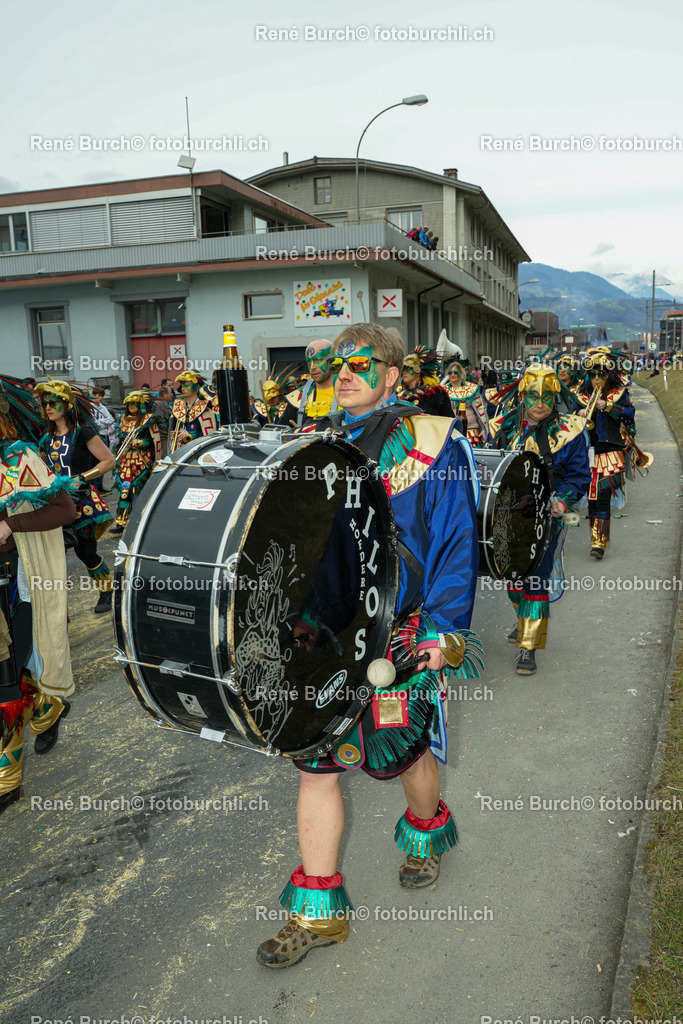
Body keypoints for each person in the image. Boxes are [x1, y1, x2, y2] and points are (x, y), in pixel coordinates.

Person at [256, 322, 482, 968]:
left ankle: (425, 834)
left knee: (404, 755)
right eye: (336, 367)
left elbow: (454, 541)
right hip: (323, 641)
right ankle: (316, 914)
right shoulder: (311, 443)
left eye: (360, 364)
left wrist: (442, 633)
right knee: (316, 766)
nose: (345, 376)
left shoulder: (433, 443)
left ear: (392, 374)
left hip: (399, 636)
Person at [0, 376, 77, 814]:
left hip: (14, 585)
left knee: (6, 679)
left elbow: (64, 509)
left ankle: (7, 781)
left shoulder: (19, 457)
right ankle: (47, 707)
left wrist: (11, 524)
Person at [490, 365, 590, 675]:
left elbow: (578, 476)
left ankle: (529, 645)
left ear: (555, 396)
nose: (540, 403)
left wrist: (561, 501)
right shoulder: (504, 428)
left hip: (547, 518)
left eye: (547, 397)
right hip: (508, 517)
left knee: (535, 577)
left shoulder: (571, 432)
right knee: (511, 576)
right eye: (533, 396)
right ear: (523, 395)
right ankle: (524, 618)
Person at [35, 380, 115, 613]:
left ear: (67, 405)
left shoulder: (83, 433)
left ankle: (107, 591)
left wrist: (81, 478)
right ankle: (57, 605)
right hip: (54, 504)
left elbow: (108, 461)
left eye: (53, 403)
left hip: (81, 502)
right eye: (46, 404)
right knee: (54, 555)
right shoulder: (46, 437)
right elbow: (41, 465)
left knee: (86, 553)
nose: (48, 407)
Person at [573, 347, 635, 559]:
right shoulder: (581, 395)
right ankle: (595, 538)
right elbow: (569, 416)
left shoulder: (618, 393)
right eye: (593, 375)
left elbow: (629, 415)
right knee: (592, 498)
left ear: (608, 375)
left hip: (610, 451)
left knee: (603, 496)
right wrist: (579, 412)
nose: (597, 379)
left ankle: (600, 542)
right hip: (587, 452)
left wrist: (608, 406)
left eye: (601, 374)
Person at [110, 391, 162, 534]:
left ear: (140, 404)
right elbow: (119, 441)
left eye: (134, 403)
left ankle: (141, 521)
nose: (131, 406)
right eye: (129, 404)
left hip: (142, 460)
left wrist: (139, 442)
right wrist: (115, 453)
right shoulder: (122, 419)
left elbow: (153, 441)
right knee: (124, 490)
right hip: (125, 460)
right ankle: (121, 521)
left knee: (139, 491)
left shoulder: (148, 419)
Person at [276, 340, 338, 427]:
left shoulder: (348, 393)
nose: (312, 367)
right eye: (309, 362)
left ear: (332, 361)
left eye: (318, 360)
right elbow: (281, 430)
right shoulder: (297, 398)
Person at [168, 371, 219, 453]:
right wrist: (174, 435)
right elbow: (173, 428)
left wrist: (189, 436)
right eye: (182, 386)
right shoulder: (178, 406)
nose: (183, 388)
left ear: (196, 386)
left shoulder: (205, 407)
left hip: (197, 451)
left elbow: (209, 435)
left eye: (186, 385)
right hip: (180, 451)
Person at [400, 347, 454, 417]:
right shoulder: (402, 396)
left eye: (408, 368)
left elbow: (449, 420)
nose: (404, 372)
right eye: (403, 369)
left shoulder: (436, 393)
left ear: (418, 372)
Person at [443, 361, 489, 444]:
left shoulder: (472, 389)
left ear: (461, 373)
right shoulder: (443, 390)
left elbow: (480, 410)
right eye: (450, 373)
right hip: (450, 431)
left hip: (471, 431)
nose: (453, 375)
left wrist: (484, 429)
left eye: (455, 372)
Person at [89, 387, 115, 490]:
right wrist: (104, 422)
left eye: (102, 396)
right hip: (96, 436)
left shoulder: (103, 408)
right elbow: (93, 422)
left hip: (104, 436)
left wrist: (100, 422)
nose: (101, 398)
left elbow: (111, 419)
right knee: (95, 462)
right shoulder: (90, 407)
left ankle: (100, 485)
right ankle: (94, 486)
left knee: (104, 461)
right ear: (93, 395)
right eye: (99, 396)